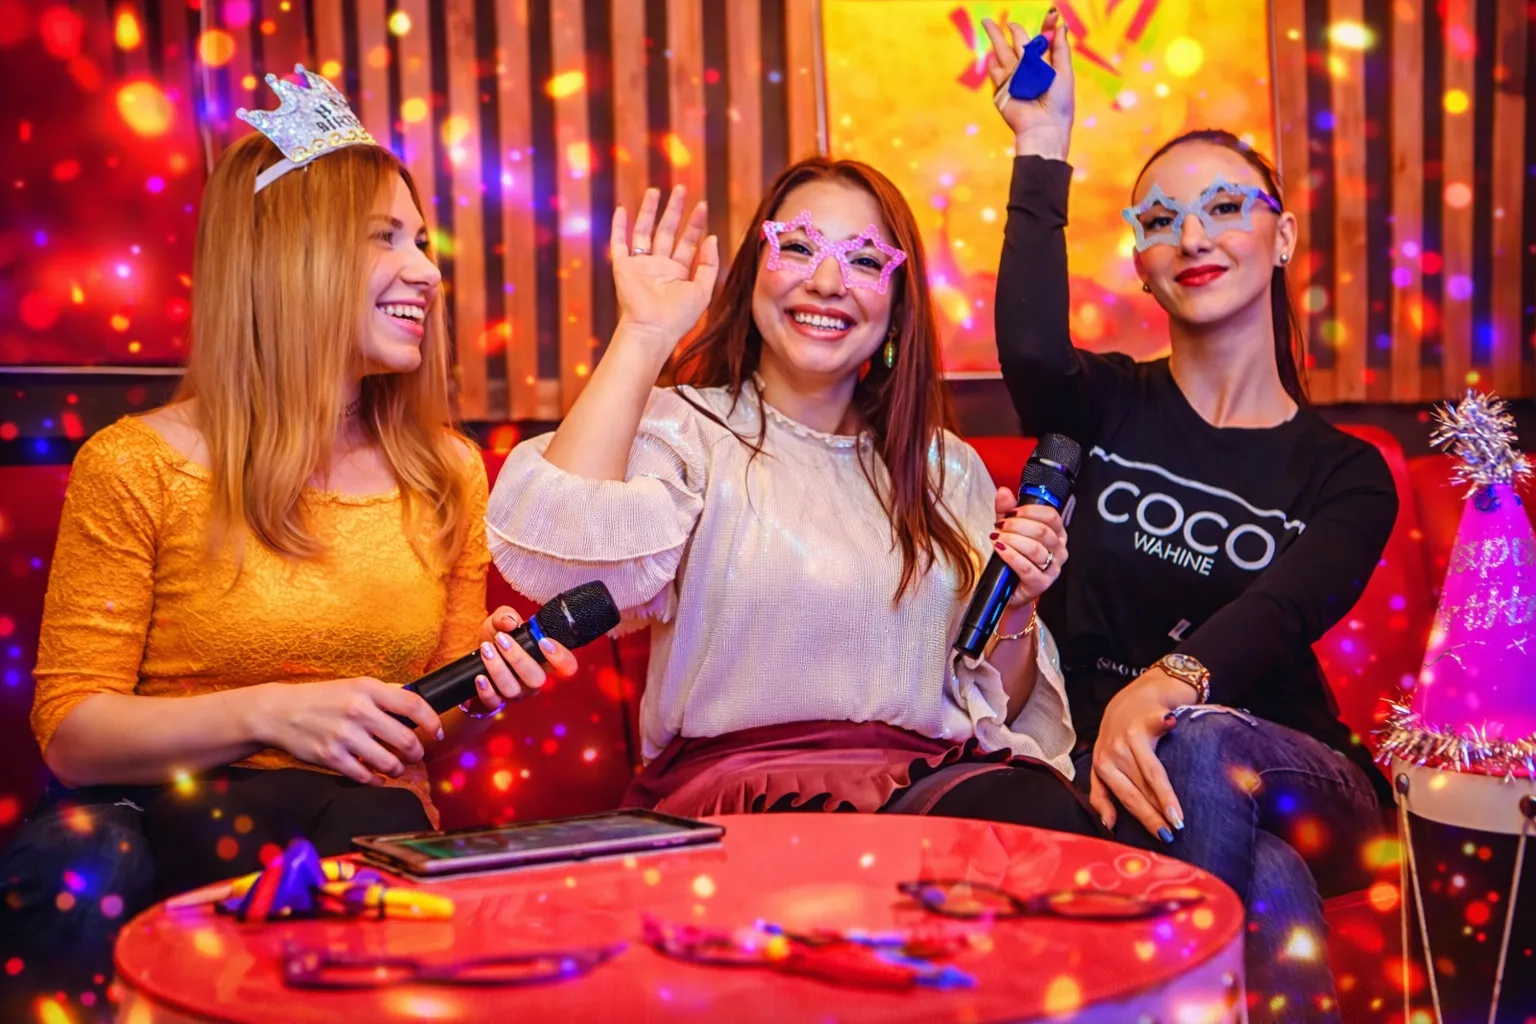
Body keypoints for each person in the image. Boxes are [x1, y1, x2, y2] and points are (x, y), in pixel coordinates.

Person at [0, 68, 573, 1014]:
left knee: (377, 834)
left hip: (352, 824)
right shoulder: (136, 464)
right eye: (386, 238)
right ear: (286, 258)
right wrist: (272, 713)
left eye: (422, 241)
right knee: (79, 863)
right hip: (152, 823)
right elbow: (73, 737)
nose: (428, 271)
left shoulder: (447, 471)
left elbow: (427, 707)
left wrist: (486, 683)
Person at [981, 13, 1397, 1020]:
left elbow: (1281, 613)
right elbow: (1033, 350)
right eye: (1160, 220)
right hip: (1119, 768)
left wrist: (1165, 686)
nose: (1192, 236)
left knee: (1201, 740)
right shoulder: (1103, 404)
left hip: (1296, 767)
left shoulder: (1349, 473)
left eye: (1222, 207)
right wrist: (1041, 147)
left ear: (1282, 233)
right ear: (1140, 264)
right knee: (1270, 882)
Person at [483, 161, 1100, 831]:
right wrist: (645, 333)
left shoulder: (946, 468)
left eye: (864, 260)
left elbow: (1000, 710)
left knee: (1036, 816)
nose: (828, 282)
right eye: (799, 246)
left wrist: (1019, 603)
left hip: (938, 790)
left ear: (898, 304)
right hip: (743, 796)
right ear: (753, 271)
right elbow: (562, 564)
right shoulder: (689, 432)